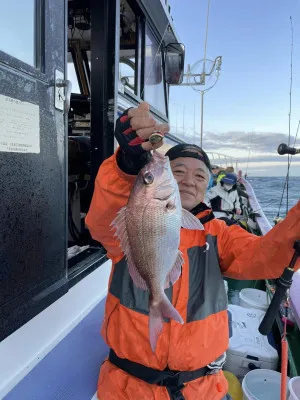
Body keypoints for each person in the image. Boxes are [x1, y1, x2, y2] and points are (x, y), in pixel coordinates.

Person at [86, 102, 300, 400]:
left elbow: (269, 256)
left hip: (202, 390)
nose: (188, 180)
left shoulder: (219, 236)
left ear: (207, 187)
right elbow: (102, 219)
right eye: (178, 171)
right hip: (126, 388)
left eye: (200, 176)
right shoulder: (129, 218)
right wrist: (126, 166)